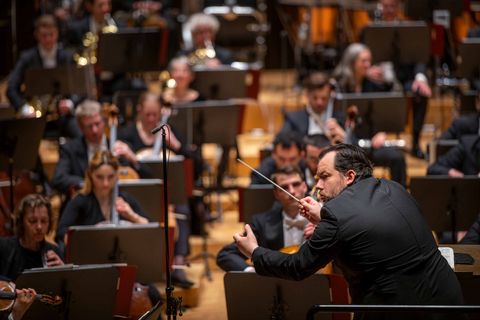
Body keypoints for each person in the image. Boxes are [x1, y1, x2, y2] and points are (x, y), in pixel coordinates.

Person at [234, 144, 465, 320]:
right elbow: (364, 223)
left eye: (324, 177)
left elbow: (298, 266)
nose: (318, 187)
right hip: (449, 302)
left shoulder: (335, 215)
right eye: (316, 179)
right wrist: (325, 215)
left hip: (398, 312)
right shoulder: (393, 187)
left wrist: (254, 252)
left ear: (350, 176)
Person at [333, 43, 407, 187]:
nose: (368, 65)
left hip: (372, 144)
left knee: (397, 158)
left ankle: (401, 196)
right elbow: (334, 118)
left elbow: (385, 115)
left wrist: (382, 132)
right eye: (364, 61)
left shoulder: (374, 85)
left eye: (369, 61)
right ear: (353, 63)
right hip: (348, 145)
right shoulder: (339, 87)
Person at [366, 0, 432, 158]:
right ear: (380, 6)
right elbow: (359, 54)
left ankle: (415, 142)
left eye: (392, 6)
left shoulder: (409, 28)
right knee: (366, 87)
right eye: (385, 6)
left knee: (420, 93)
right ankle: (371, 142)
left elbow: (420, 56)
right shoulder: (370, 28)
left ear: (398, 7)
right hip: (378, 80)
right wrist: (367, 70)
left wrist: (420, 78)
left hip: (403, 79)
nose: (389, 9)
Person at [217, 166, 312, 272]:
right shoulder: (261, 223)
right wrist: (251, 273)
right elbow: (226, 255)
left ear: (305, 186)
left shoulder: (323, 218)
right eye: (284, 187)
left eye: (296, 184)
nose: (292, 191)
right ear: (276, 194)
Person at [51, 99, 150, 195]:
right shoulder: (69, 149)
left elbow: (148, 178)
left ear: (104, 121)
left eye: (97, 124)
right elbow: (59, 179)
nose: (95, 130)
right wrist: (91, 183)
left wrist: (133, 158)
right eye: (89, 126)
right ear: (80, 127)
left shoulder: (120, 147)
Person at [6, 14, 80, 138]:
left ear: (57, 33)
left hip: (61, 114)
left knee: (79, 134)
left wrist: (70, 102)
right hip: (34, 116)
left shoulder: (67, 57)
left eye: (51, 34)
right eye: (44, 35)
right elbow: (11, 88)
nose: (48, 39)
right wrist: (25, 108)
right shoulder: (27, 58)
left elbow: (80, 86)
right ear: (37, 35)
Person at [56, 150, 149, 245]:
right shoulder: (81, 201)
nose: (106, 183)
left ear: (117, 175)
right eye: (99, 177)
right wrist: (90, 236)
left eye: (111, 177)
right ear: (90, 175)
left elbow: (151, 228)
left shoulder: (125, 198)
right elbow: (61, 233)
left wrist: (132, 216)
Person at [0, 194, 64, 282]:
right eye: (32, 221)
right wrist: (10, 286)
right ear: (21, 222)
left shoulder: (55, 251)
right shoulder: (4, 247)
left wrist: (64, 273)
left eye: (44, 221)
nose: (39, 227)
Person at [280, 72, 346, 145]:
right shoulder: (294, 119)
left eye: (324, 98)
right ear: (307, 95)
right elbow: (280, 140)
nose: (319, 102)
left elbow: (358, 146)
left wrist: (345, 137)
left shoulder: (340, 118)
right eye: (315, 98)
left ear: (330, 96)